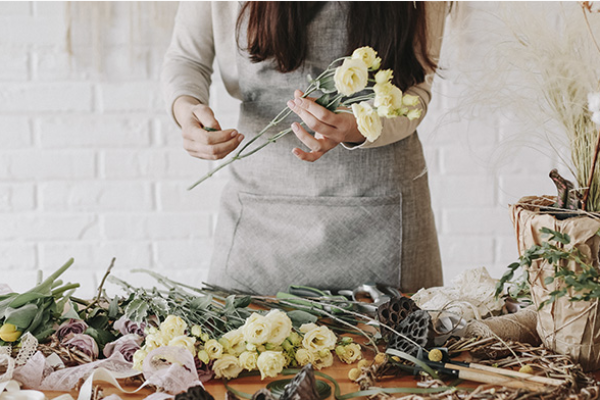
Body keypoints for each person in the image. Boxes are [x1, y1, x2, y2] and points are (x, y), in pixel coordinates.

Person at [161, 2, 447, 295]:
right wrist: (186, 107)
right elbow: (187, 59)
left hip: (382, 216)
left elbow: (416, 90)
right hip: (258, 217)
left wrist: (358, 126)